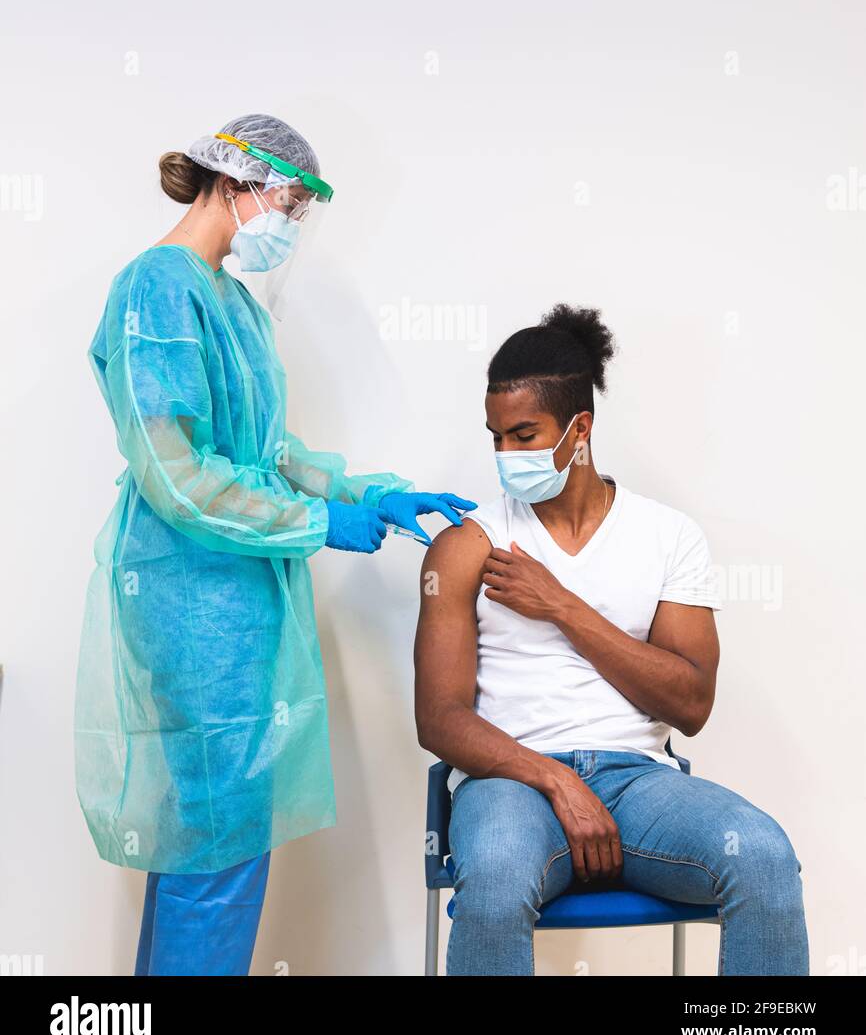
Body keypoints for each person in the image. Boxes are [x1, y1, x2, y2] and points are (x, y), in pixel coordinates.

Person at [74, 113, 475, 976]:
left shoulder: (234, 305)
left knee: (206, 849)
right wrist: (319, 525)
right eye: (287, 202)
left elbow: (273, 454)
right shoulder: (157, 286)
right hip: (189, 601)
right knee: (216, 854)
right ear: (233, 182)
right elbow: (175, 475)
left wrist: (372, 492)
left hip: (238, 605)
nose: (290, 225)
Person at [414, 303, 809, 976]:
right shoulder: (464, 545)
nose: (506, 455)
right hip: (512, 780)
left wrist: (564, 606)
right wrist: (557, 782)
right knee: (499, 882)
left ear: (580, 430)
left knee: (766, 858)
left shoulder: (667, 537)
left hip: (639, 785)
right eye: (495, 437)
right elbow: (439, 719)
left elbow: (690, 703)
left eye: (524, 434)